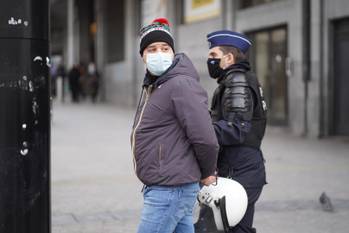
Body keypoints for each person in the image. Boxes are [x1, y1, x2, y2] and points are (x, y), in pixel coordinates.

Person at [131, 18, 219, 233]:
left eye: (165, 48)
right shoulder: (158, 85)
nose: (159, 53)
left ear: (173, 52)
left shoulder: (179, 83)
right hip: (169, 185)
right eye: (151, 49)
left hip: (170, 188)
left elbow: (204, 136)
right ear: (142, 55)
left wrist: (208, 171)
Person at [204, 30, 267, 233]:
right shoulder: (233, 80)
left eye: (214, 56)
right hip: (239, 167)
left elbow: (236, 128)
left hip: (239, 170)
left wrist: (198, 131)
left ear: (229, 57)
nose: (210, 60)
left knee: (229, 228)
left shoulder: (237, 80)